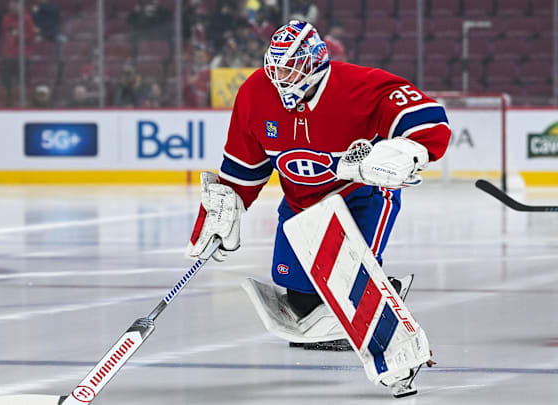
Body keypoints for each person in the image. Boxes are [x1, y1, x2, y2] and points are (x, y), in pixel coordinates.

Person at [186, 20, 450, 396]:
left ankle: (390, 339)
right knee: (301, 305)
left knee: (347, 281)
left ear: (315, 61)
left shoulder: (362, 86)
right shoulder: (255, 93)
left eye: (290, 65)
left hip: (361, 196)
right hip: (300, 204)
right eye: (275, 64)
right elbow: (244, 166)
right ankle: (371, 294)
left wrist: (405, 150)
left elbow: (427, 118)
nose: (280, 74)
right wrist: (222, 212)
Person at [0, 0, 36, 105]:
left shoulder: (27, 18)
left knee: (22, 80)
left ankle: (23, 101)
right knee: (7, 80)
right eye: (12, 3)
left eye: (16, 3)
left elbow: (31, 36)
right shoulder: (6, 18)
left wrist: (19, 35)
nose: (13, 6)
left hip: (22, 56)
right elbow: (4, 35)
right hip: (8, 55)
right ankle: (9, 100)